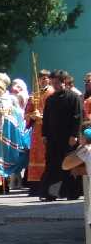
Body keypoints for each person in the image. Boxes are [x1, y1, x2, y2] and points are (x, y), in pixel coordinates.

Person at [41, 70, 83, 201]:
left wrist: (74, 135)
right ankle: (51, 193)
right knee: (53, 165)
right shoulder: (50, 99)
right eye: (53, 83)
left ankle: (72, 192)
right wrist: (44, 134)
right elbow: (46, 118)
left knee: (70, 164)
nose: (55, 85)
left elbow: (77, 117)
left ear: (64, 82)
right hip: (53, 138)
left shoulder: (74, 97)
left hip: (68, 138)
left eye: (57, 83)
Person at [0, 73, 29, 195]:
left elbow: (19, 116)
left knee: (4, 159)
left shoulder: (11, 99)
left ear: (3, 88)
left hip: (7, 135)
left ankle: (3, 183)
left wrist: (8, 119)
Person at [25, 69, 52, 195]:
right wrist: (31, 115)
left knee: (45, 156)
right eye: (41, 78)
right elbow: (26, 114)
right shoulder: (34, 94)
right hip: (36, 131)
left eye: (46, 78)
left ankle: (46, 184)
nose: (43, 80)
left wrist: (41, 116)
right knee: (35, 155)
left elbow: (55, 112)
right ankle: (35, 185)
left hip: (48, 129)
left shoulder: (52, 93)